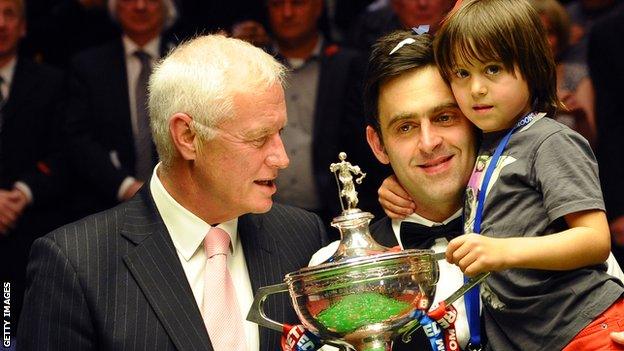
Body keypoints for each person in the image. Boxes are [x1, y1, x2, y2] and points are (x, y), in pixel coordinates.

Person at [17, 34, 329, 351]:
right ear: (188, 136)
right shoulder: (75, 264)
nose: (282, 158)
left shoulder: (301, 238)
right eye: (258, 138)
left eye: (279, 133)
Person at [432, 0, 624, 349]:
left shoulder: (550, 140)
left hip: (586, 325)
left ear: (533, 68)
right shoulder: (483, 144)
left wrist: (503, 252)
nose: (475, 88)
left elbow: (594, 241)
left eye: (492, 69)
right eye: (461, 73)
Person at [363, 29, 477, 350]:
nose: (429, 142)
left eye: (444, 117)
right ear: (379, 145)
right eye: (406, 127)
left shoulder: (551, 233)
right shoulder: (339, 274)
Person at [262, 0, 384, 228]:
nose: (287, 13)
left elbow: (366, 143)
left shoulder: (348, 65)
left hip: (337, 215)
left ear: (319, 7)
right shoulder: (255, 69)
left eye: (298, 4)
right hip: (266, 217)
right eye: (277, 5)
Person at [64, 0, 179, 219]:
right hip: (105, 206)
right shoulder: (88, 66)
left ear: (167, 7)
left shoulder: (188, 61)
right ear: (114, 7)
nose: (140, 6)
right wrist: (125, 186)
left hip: (182, 204)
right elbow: (77, 138)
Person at [0, 0, 68, 340]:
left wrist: (21, 193)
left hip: (28, 233)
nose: (0, 23)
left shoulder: (51, 82)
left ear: (23, 26)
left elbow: (64, 155)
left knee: (11, 332)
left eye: (9, 14)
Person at [530, 0, 597, 147]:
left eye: (549, 32)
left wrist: (579, 115)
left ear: (561, 37)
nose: (543, 41)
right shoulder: (515, 77)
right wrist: (549, 108)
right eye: (536, 33)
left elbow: (591, 141)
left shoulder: (577, 75)